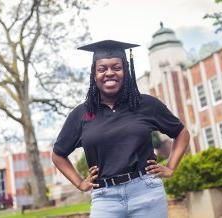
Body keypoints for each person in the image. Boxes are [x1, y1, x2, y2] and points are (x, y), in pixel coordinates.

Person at [52, 40, 190, 218]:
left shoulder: (146, 104)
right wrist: (80, 183)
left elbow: (181, 133)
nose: (109, 73)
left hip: (146, 192)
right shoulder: (81, 114)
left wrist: (170, 167)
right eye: (102, 69)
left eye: (116, 67)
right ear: (94, 75)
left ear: (126, 71)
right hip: (105, 198)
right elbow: (58, 154)